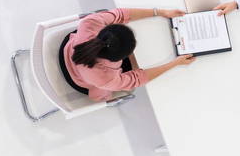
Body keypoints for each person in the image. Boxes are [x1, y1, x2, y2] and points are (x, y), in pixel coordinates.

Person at [60, 8, 195, 101]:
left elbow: (121, 14)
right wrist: (175, 63)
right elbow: (138, 78)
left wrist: (161, 12)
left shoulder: (89, 23)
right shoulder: (106, 78)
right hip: (78, 79)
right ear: (121, 59)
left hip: (69, 50)